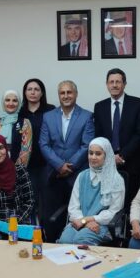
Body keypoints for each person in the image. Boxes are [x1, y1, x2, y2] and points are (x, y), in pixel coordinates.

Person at [39, 80, 95, 241]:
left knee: (76, 216)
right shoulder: (48, 116)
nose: (66, 96)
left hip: (76, 174)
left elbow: (87, 145)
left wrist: (69, 166)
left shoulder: (86, 116)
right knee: (51, 218)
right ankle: (52, 245)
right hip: (53, 174)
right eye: (62, 93)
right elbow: (43, 144)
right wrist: (59, 165)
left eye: (69, 92)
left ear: (76, 94)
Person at [93, 68, 140, 209]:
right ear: (107, 84)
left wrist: (122, 155)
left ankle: (129, 224)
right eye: (111, 82)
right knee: (108, 205)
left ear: (124, 84)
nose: (114, 85)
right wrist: (110, 157)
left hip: (132, 162)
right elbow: (98, 136)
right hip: (106, 164)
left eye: (118, 82)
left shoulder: (138, 104)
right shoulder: (99, 106)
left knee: (131, 204)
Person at [58, 138, 125, 246]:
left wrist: (87, 220)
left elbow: (113, 212)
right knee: (65, 241)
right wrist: (84, 222)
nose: (93, 157)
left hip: (103, 225)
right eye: (91, 153)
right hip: (79, 221)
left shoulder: (117, 180)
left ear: (106, 156)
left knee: (81, 241)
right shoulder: (82, 176)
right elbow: (73, 207)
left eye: (98, 154)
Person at [18, 78, 55, 205]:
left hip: (47, 163)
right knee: (30, 200)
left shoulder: (51, 110)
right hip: (27, 164)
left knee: (48, 200)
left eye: (36, 89)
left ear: (42, 93)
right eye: (29, 89)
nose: (33, 92)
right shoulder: (20, 112)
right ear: (25, 92)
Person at [0, 90, 32, 166]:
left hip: (15, 168)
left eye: (15, 100)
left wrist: (17, 169)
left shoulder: (25, 123)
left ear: (19, 103)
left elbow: (26, 149)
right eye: (7, 100)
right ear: (3, 102)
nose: (11, 103)